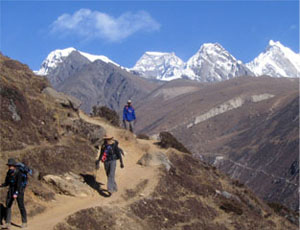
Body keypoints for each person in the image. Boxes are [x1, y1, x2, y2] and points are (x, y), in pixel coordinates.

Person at [0, 158, 27, 229]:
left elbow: (19, 184)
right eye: (9, 165)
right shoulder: (8, 172)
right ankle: (7, 223)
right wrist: (1, 185)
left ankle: (24, 222)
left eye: (11, 165)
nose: (9, 167)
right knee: (8, 205)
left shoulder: (19, 173)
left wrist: (16, 193)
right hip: (11, 190)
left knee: (21, 206)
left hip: (19, 191)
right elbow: (7, 182)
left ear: (14, 166)